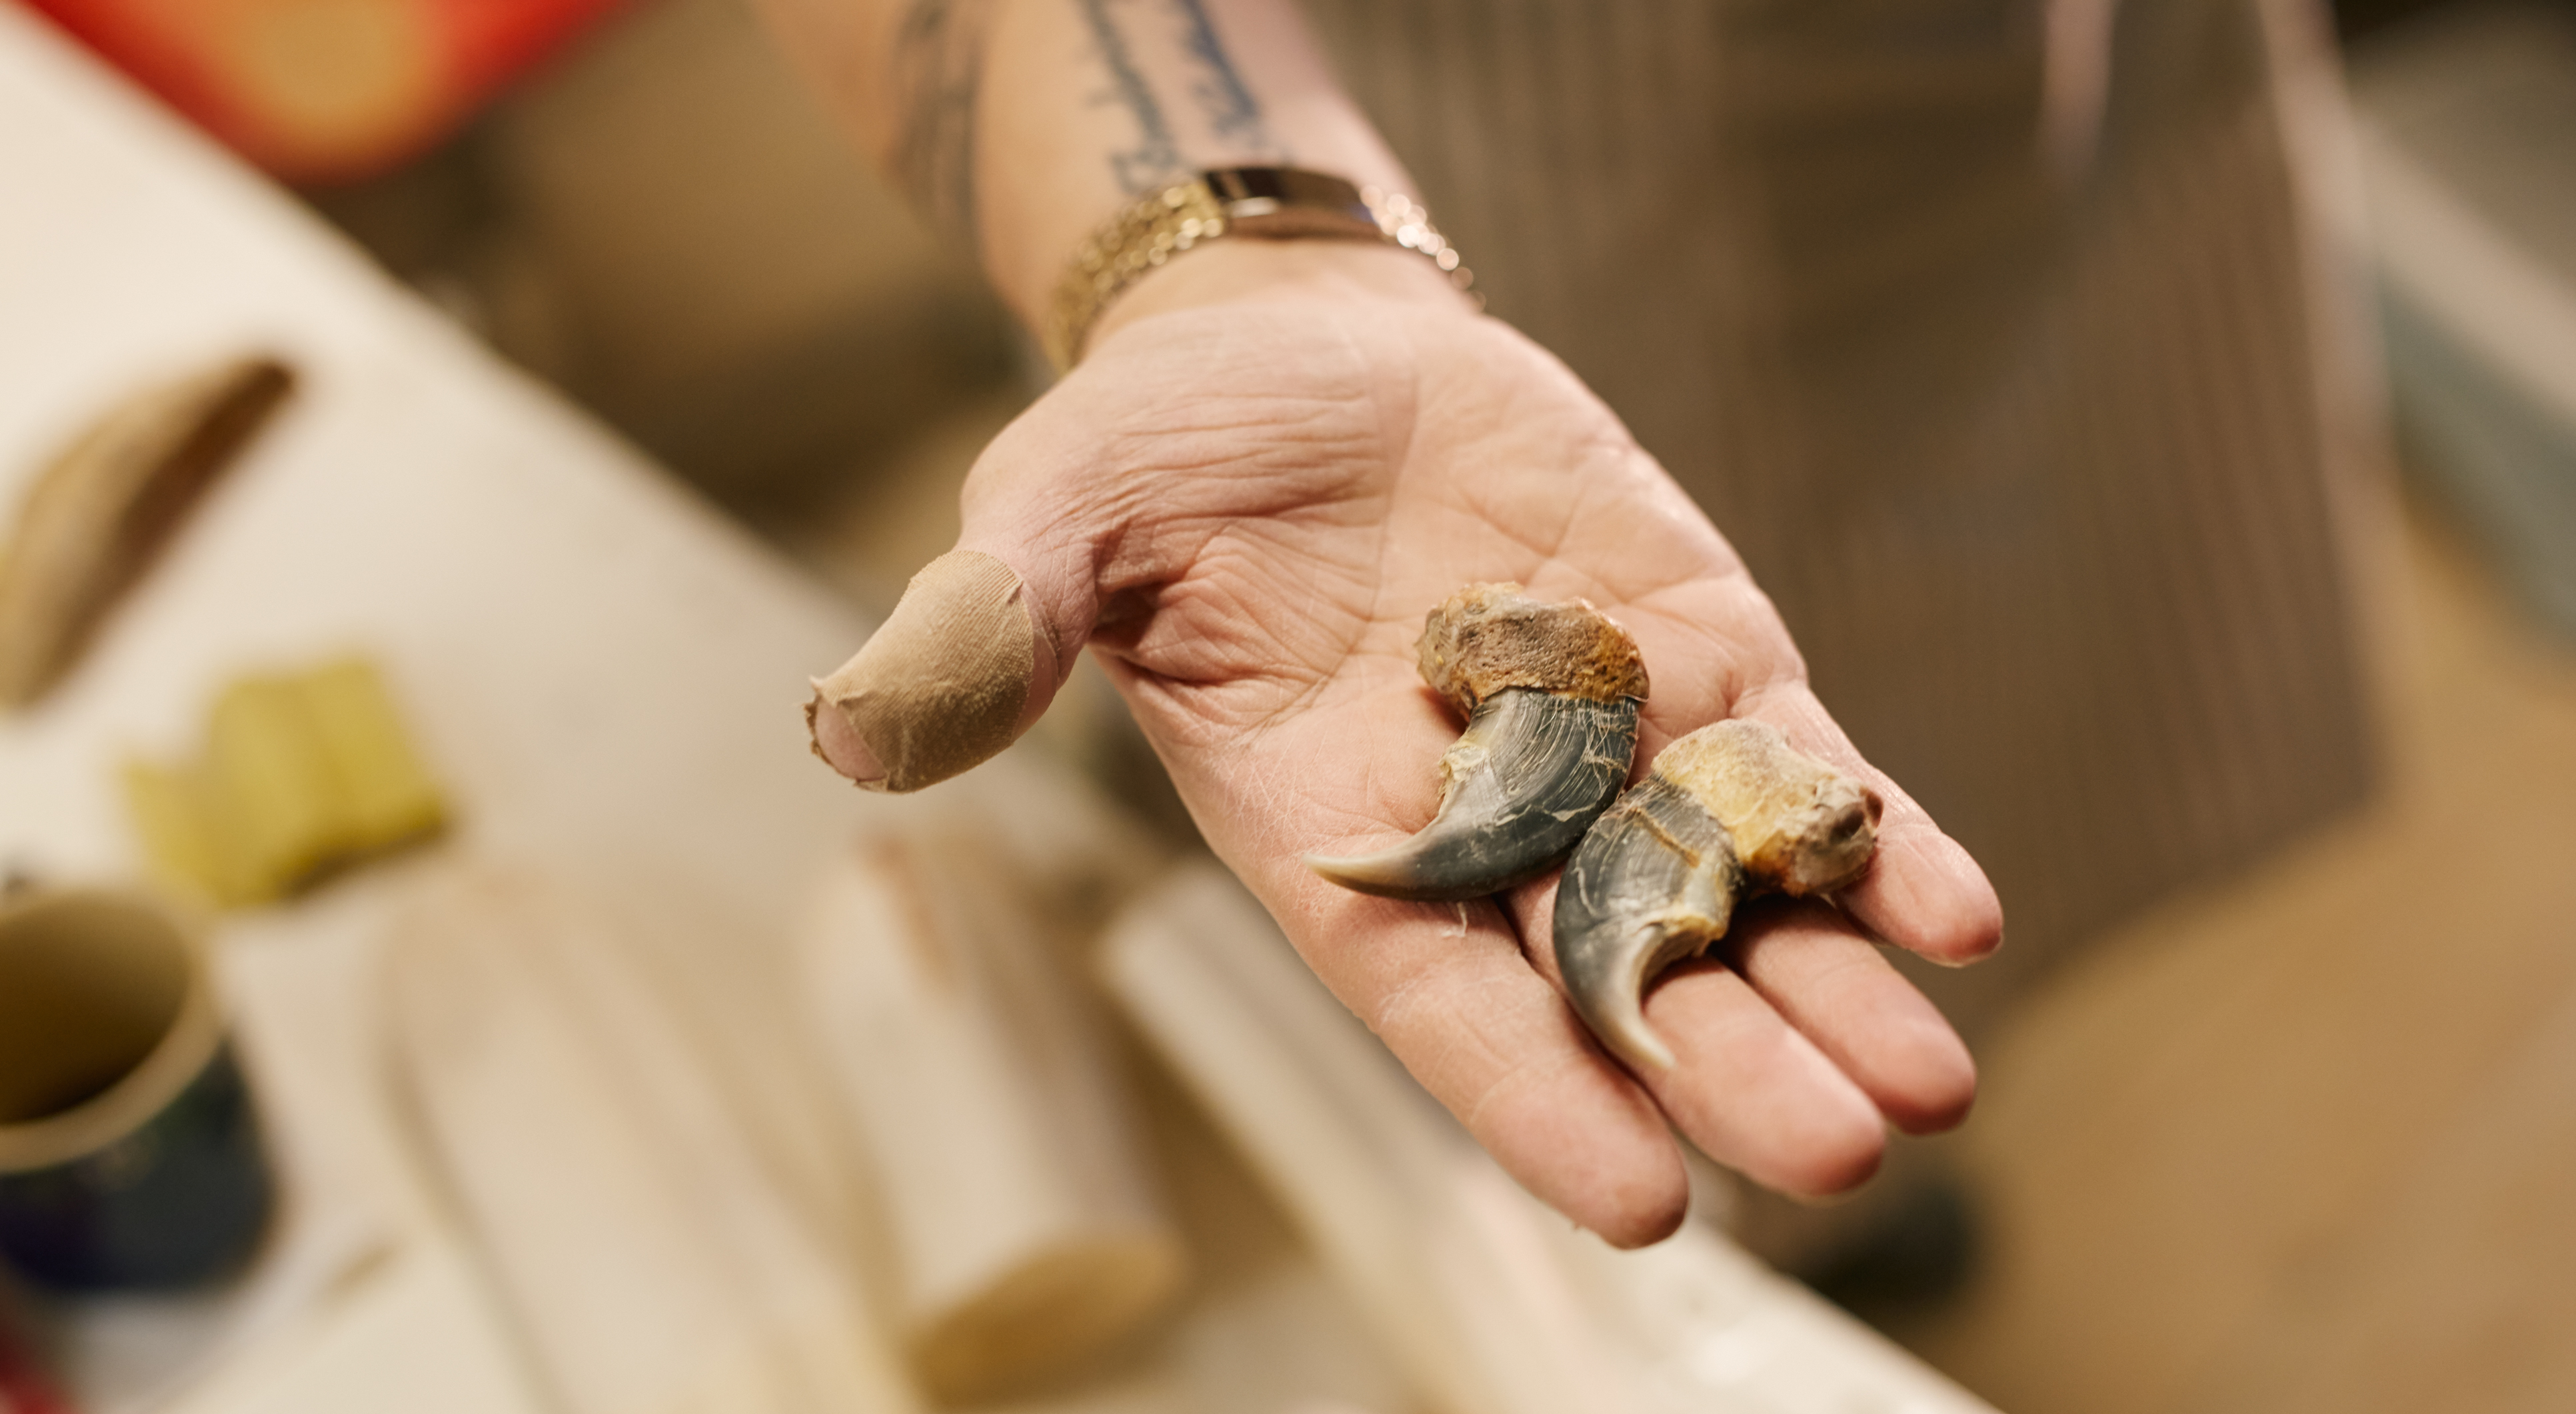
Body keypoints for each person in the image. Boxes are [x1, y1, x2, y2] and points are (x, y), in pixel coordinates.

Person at [764, 0, 2377, 1249]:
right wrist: (1238, 269)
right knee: (1443, 961)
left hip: (2024, 86)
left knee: (1984, 667)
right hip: (1438, 143)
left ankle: (1839, 1226)